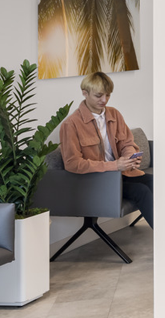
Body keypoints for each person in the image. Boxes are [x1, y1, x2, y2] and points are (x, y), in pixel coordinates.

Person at [58, 72, 153, 229]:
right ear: (84, 93)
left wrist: (130, 157)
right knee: (140, 190)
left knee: (157, 183)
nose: (104, 100)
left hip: (121, 175)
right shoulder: (71, 124)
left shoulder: (114, 114)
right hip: (96, 181)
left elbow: (127, 142)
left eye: (108, 95)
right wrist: (115, 166)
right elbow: (72, 164)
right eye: (99, 96)